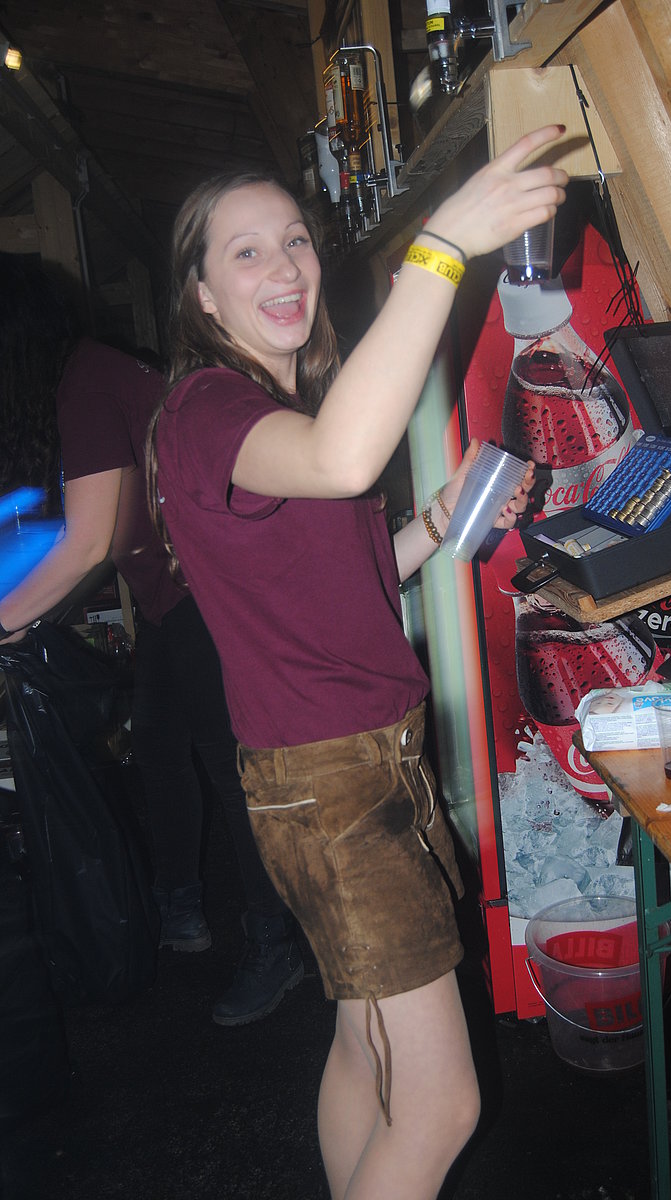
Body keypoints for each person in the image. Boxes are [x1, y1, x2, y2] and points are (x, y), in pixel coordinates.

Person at [147, 126, 567, 1200]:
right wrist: (443, 244)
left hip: (356, 766)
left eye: (293, 239)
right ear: (201, 295)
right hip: (333, 788)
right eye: (245, 252)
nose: (283, 266)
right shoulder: (206, 410)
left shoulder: (267, 417)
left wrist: (438, 521)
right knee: (440, 1106)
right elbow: (344, 458)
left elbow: (352, 572)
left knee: (362, 1043)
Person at [0, 254, 303, 1026]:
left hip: (212, 589)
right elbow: (101, 527)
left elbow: (88, 541)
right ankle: (178, 907)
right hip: (179, 594)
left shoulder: (86, 382)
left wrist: (5, 620)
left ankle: (276, 943)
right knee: (162, 748)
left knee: (231, 773)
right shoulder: (91, 375)